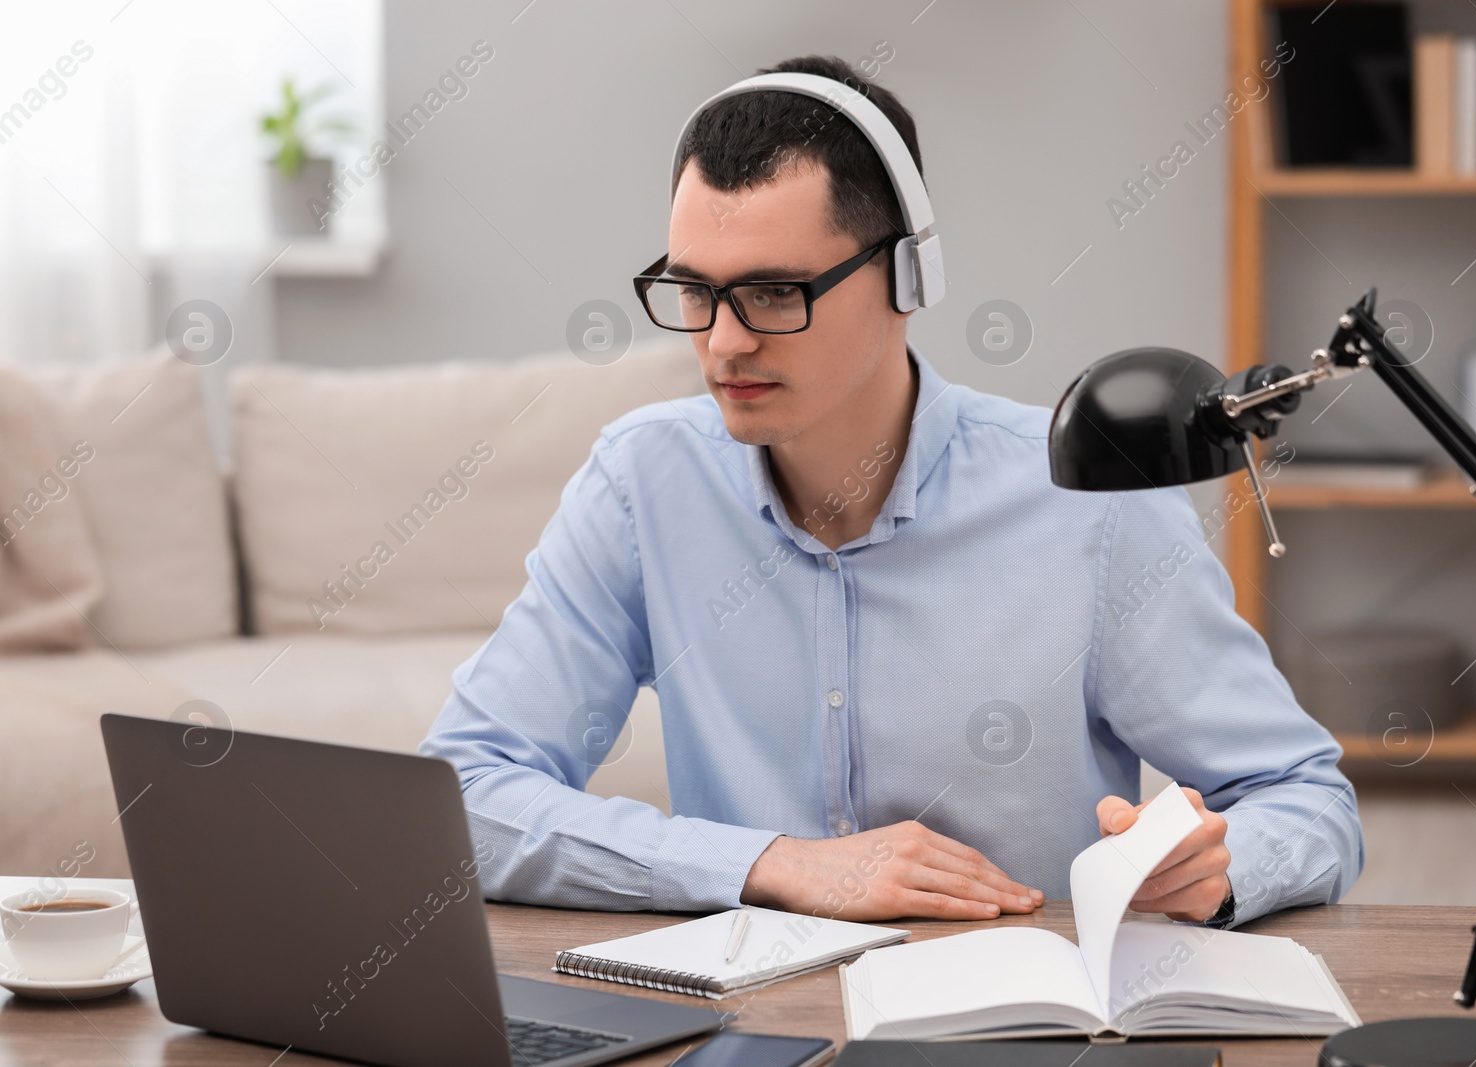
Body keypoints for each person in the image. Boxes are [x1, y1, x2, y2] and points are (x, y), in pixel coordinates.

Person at [420, 53, 1362, 929]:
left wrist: (1226, 864)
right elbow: (462, 789)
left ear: (907, 276)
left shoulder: (1090, 498)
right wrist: (775, 863)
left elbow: (1306, 796)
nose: (723, 342)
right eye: (694, 290)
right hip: (752, 1025)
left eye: (776, 293)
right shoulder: (641, 482)